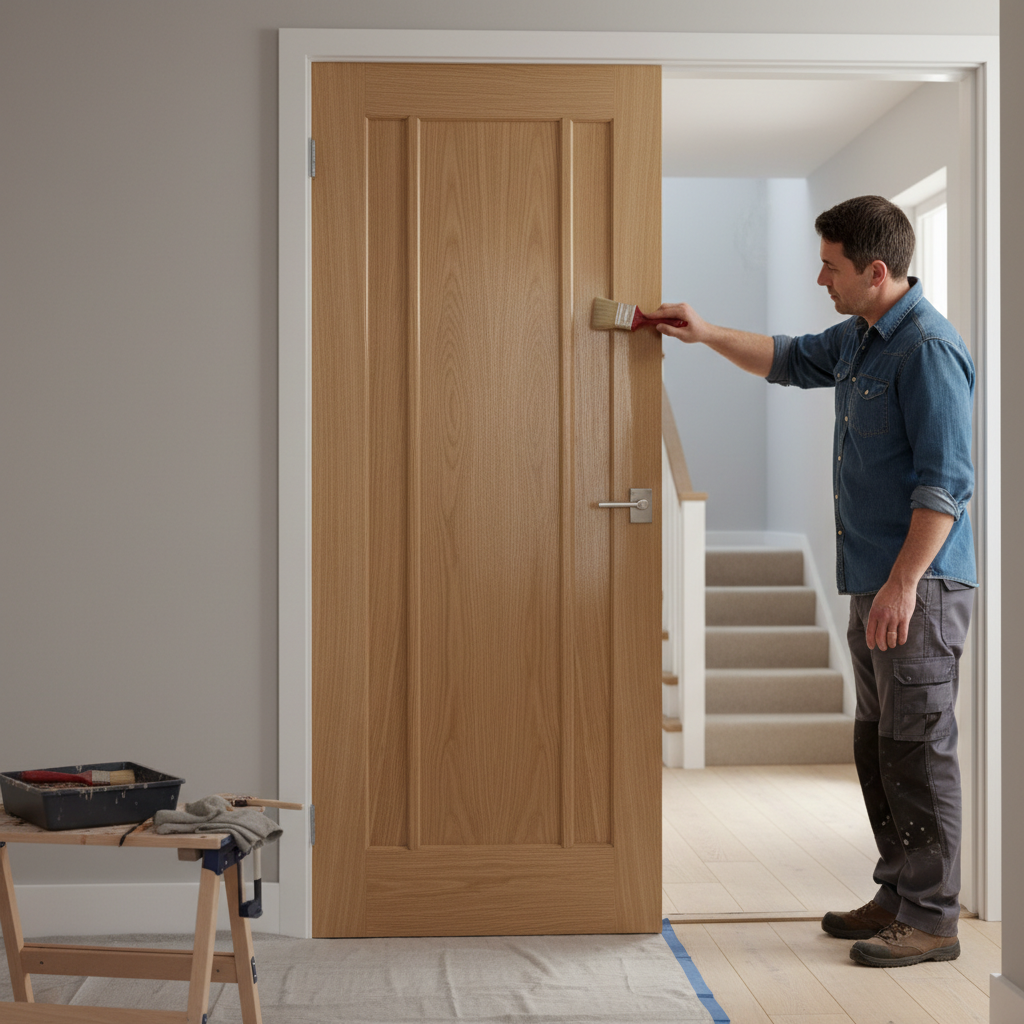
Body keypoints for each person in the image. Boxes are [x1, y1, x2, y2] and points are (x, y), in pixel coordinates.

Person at [654, 195, 976, 968]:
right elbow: (790, 357)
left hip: (918, 588)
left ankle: (932, 920)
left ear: (874, 271)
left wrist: (901, 587)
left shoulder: (926, 349)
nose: (818, 278)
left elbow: (946, 486)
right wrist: (703, 334)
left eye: (830, 266)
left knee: (918, 749)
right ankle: (898, 893)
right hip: (876, 580)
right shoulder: (865, 338)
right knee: (877, 743)